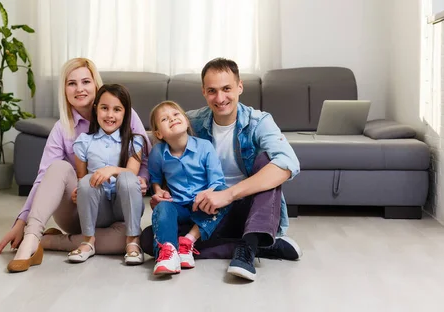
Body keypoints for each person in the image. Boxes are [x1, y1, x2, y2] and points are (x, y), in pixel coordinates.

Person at [140, 58, 302, 281]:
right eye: (212, 91)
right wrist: (159, 190)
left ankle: (248, 246)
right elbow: (161, 145)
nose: (220, 98)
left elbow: (288, 163)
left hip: (247, 208)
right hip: (203, 209)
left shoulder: (258, 122)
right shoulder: (191, 121)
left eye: (227, 89)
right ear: (204, 92)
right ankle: (259, 245)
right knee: (149, 239)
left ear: (240, 87)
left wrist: (227, 195)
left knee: (267, 161)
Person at [0, 58, 151, 273]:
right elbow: (44, 178)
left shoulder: (126, 114)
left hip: (117, 208)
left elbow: (142, 159)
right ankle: (32, 238)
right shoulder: (62, 129)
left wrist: (140, 180)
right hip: (80, 207)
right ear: (64, 89)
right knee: (58, 167)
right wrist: (22, 222)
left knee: (125, 241)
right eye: (71, 83)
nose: (80, 89)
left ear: (96, 84)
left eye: (86, 82)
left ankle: (51, 243)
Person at [147, 101, 231, 275]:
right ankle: (168, 253)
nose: (172, 119)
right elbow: (154, 178)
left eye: (176, 114)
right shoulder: (157, 152)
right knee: (162, 207)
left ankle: (188, 241)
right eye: (164, 119)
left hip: (204, 207)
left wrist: (207, 194)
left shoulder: (204, 146)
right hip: (179, 207)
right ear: (158, 133)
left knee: (224, 193)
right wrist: (158, 191)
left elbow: (217, 180)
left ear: (185, 120)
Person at [67, 84, 146, 265]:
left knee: (127, 178)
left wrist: (112, 169)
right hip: (98, 210)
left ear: (125, 113)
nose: (110, 115)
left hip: (124, 208)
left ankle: (132, 241)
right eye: (104, 108)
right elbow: (81, 177)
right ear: (96, 110)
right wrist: (79, 192)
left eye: (117, 109)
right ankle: (88, 241)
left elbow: (132, 174)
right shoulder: (84, 141)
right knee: (86, 181)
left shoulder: (135, 141)